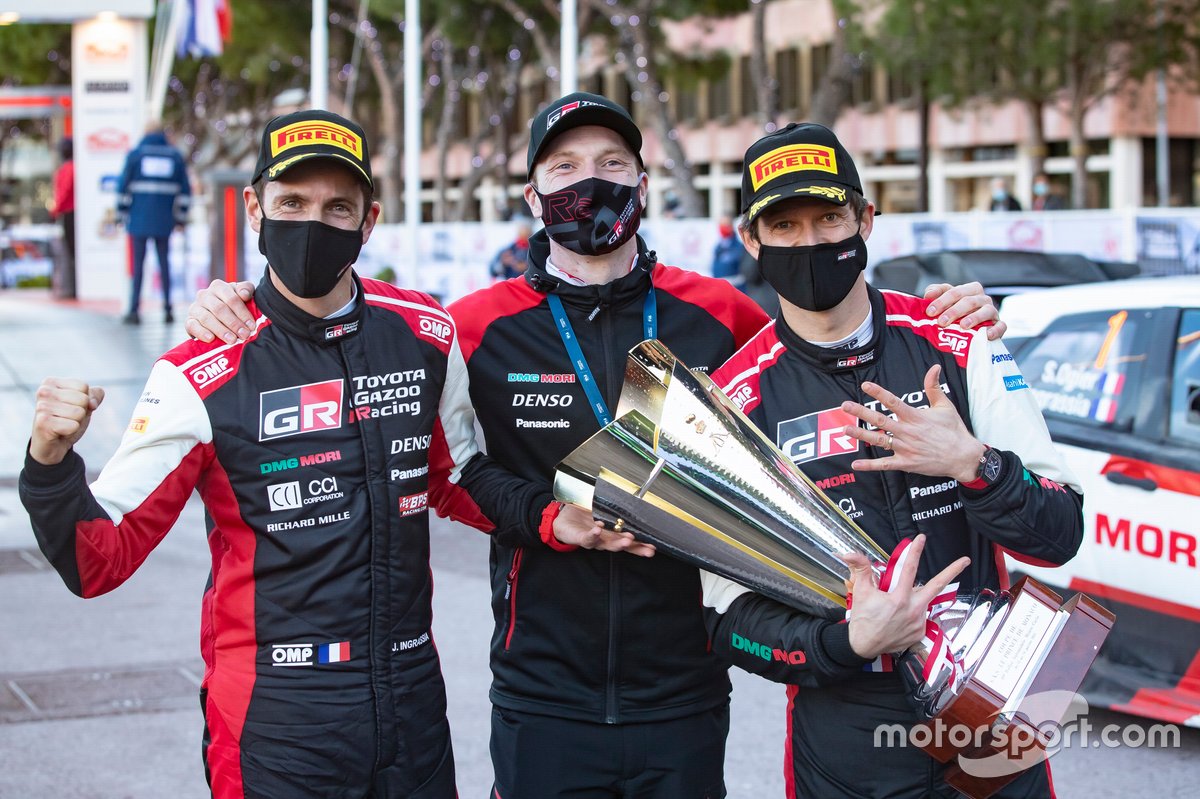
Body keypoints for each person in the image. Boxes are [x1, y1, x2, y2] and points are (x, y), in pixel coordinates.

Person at [184, 93, 1007, 798]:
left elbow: (830, 346)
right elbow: (449, 470)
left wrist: (943, 312)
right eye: (564, 166)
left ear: (643, 187)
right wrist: (234, 309)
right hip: (541, 693)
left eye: (611, 162)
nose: (590, 182)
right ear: (534, 193)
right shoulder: (471, 326)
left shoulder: (719, 314)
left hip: (684, 690)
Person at [20, 109, 545, 798]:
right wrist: (50, 461)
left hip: (412, 697)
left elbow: (452, 476)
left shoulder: (422, 333)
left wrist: (552, 517)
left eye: (337, 207)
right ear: (254, 207)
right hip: (277, 715)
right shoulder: (200, 370)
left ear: (370, 219)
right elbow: (98, 560)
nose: (312, 223)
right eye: (292, 202)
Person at [701, 122, 1085, 797]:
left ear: (866, 218)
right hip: (846, 738)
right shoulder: (738, 402)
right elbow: (727, 622)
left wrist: (977, 465)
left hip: (988, 706)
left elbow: (1060, 535)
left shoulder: (962, 345)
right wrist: (847, 642)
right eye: (784, 226)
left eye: (829, 217)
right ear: (750, 240)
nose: (811, 240)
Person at [117, 123, 191, 324]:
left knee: (138, 267)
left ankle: (134, 310)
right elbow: (185, 190)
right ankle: (168, 309)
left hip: (139, 220)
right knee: (164, 264)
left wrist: (121, 214)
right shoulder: (174, 156)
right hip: (164, 221)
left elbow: (123, 187)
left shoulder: (135, 155)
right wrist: (181, 217)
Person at [51, 137, 76, 289]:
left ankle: (71, 286)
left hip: (69, 213)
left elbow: (64, 191)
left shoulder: (68, 168)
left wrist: (55, 210)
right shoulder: (69, 167)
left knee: (71, 250)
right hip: (68, 213)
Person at [710, 215, 745, 288]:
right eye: (721, 225)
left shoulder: (739, 247)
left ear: (731, 226)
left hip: (736, 289)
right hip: (719, 289)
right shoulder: (717, 247)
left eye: (725, 225)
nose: (723, 228)